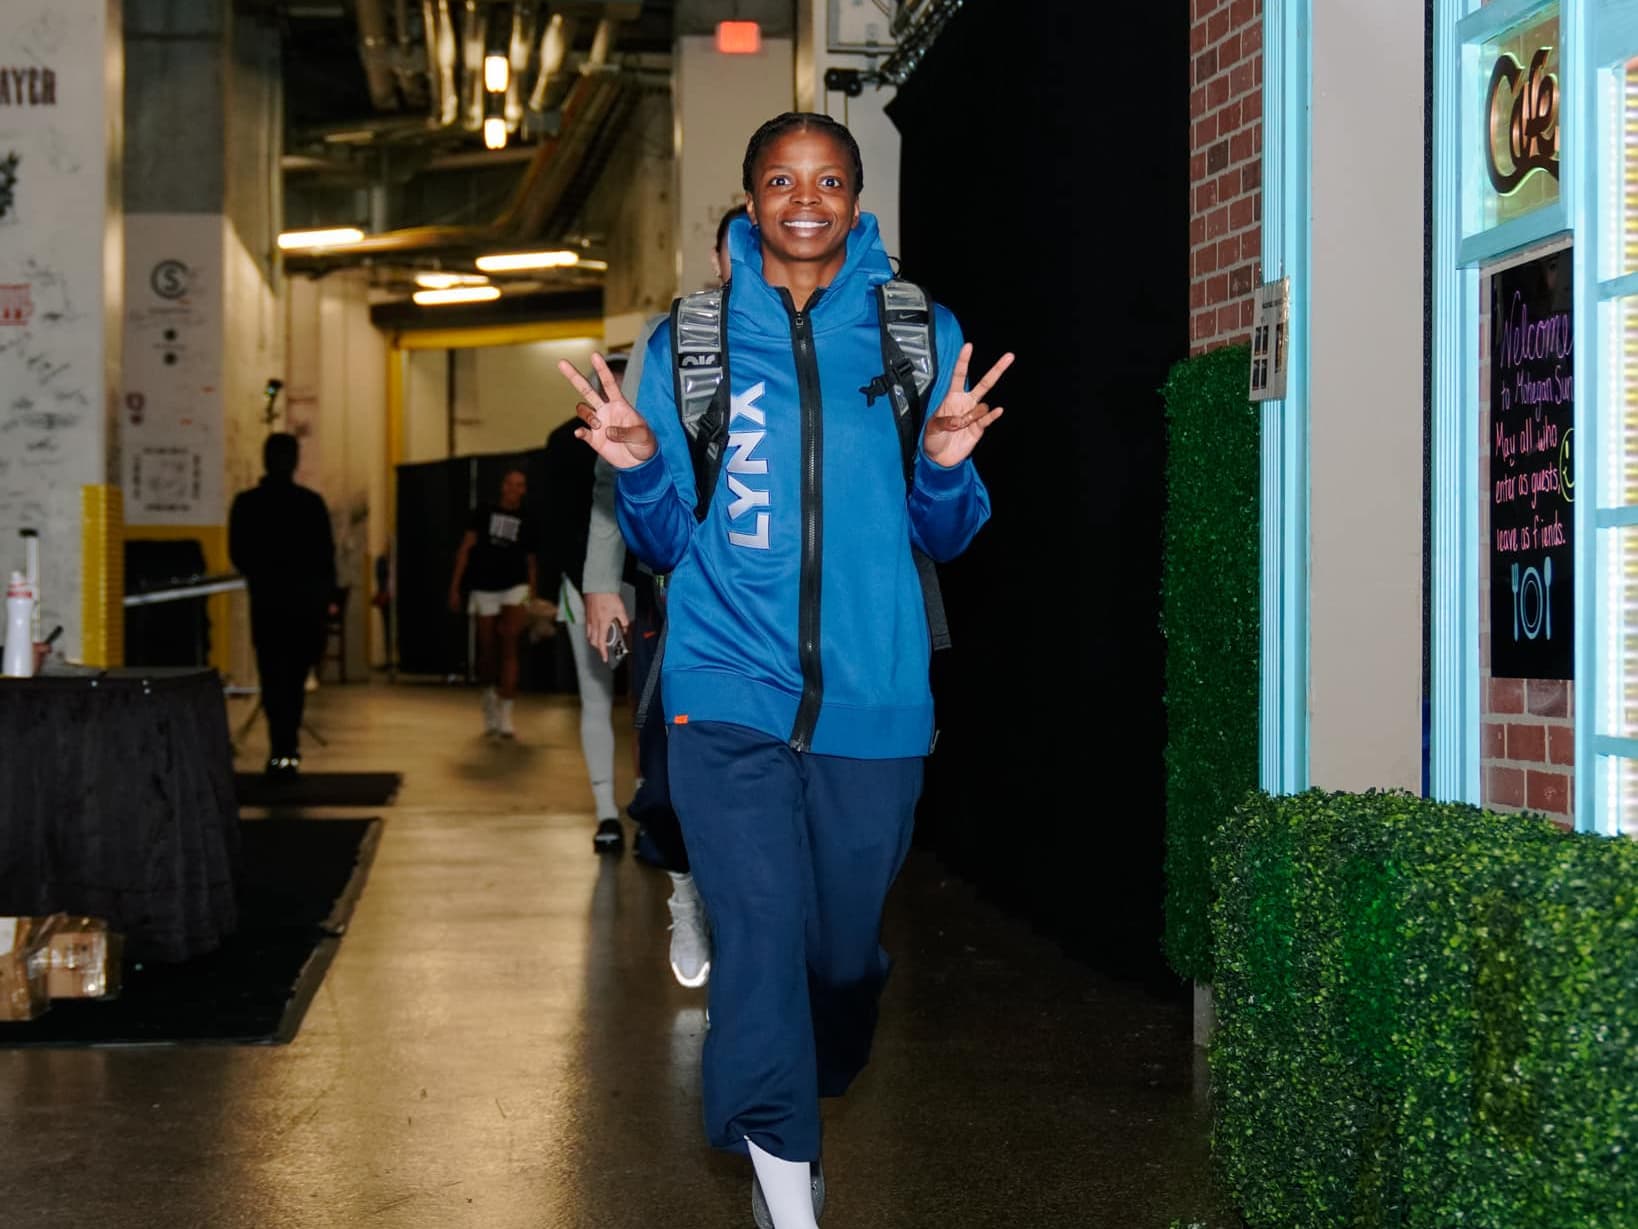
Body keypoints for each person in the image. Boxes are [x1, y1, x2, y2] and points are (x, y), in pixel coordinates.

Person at [558, 113, 1013, 1229]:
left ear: (858, 203)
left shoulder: (915, 333)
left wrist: (948, 466)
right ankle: (786, 1188)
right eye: (778, 179)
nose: (803, 198)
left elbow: (944, 535)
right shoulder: (692, 341)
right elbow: (666, 539)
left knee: (838, 956)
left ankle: (810, 1076)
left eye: (827, 181)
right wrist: (644, 464)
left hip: (875, 697)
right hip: (723, 693)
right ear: (750, 199)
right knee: (757, 940)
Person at [580, 206, 747, 988]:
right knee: (676, 770)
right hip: (679, 591)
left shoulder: (823, 339)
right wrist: (601, 581)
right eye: (735, 243)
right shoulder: (673, 339)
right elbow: (620, 466)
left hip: (783, 606)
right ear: (718, 258)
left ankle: (755, 937)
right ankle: (688, 891)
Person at [536, 361, 634, 854]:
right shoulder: (562, 442)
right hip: (588, 587)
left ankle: (640, 806)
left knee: (648, 702)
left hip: (641, 584)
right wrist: (588, 586)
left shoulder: (649, 434)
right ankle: (607, 813)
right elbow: (552, 524)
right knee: (598, 698)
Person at [228, 431, 337, 776]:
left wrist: (264, 576)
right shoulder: (310, 504)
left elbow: (239, 552)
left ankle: (281, 748)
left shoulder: (247, 504)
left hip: (268, 602)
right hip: (304, 606)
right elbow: (325, 557)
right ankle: (287, 748)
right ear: (295, 462)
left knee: (273, 675)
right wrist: (325, 599)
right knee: (293, 678)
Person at [447, 468, 543, 738]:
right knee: (488, 648)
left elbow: (531, 562)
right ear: (503, 487)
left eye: (520, 485)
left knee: (511, 643)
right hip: (483, 586)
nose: (515, 489)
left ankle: (507, 712)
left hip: (515, 586)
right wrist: (456, 587)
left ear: (524, 490)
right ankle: (489, 696)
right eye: (511, 483)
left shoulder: (528, 520)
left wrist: (531, 596)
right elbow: (466, 549)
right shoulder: (483, 512)